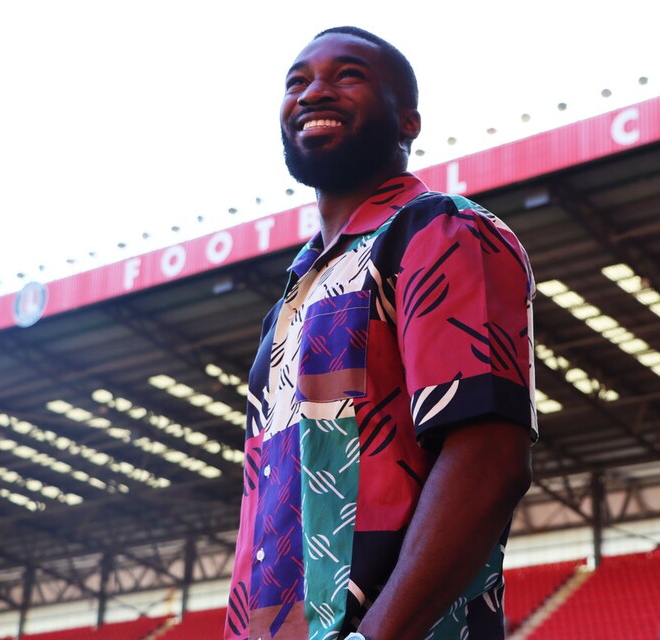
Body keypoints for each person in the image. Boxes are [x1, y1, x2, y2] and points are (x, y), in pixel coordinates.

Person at [223, 26, 537, 640]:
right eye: (297, 81)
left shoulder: (438, 232)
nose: (313, 92)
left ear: (408, 122)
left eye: (348, 75)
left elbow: (489, 456)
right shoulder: (292, 297)